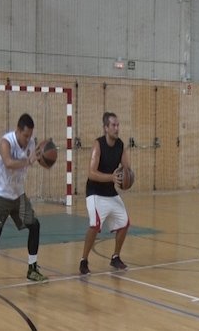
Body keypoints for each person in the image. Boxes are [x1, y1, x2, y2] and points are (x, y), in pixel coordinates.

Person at [0, 113, 47, 291]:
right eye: (25, 136)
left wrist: (45, 156)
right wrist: (29, 160)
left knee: (35, 225)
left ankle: (32, 269)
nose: (28, 139)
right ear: (18, 130)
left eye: (30, 136)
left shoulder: (31, 144)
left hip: (17, 194)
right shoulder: (6, 142)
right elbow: (9, 163)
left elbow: (36, 156)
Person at [79, 112, 131, 275]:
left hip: (110, 191)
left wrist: (127, 176)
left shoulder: (120, 145)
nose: (117, 128)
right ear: (106, 128)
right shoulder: (98, 145)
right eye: (113, 125)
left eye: (118, 125)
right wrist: (112, 177)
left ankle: (115, 257)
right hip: (94, 192)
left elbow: (126, 168)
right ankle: (84, 260)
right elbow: (91, 173)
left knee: (124, 222)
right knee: (95, 225)